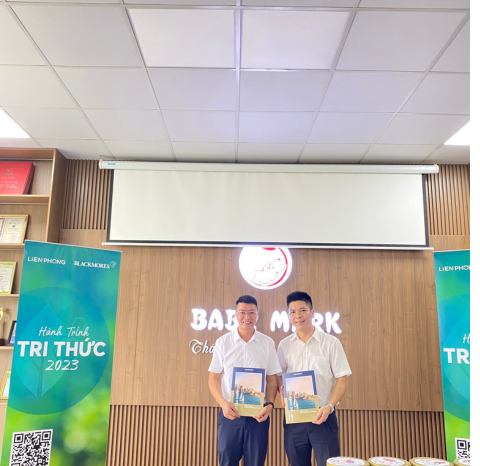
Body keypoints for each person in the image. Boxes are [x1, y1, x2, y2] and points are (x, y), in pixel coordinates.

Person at [277, 291, 352, 466]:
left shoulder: (331, 342)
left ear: (312, 313)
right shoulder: (284, 345)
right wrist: (282, 390)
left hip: (323, 415)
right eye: (292, 311)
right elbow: (279, 376)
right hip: (294, 417)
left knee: (329, 463)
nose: (297, 315)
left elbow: (342, 378)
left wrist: (329, 406)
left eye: (302, 310)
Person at [208, 295, 281, 466]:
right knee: (227, 461)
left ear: (257, 315)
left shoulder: (267, 343)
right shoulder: (223, 342)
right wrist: (223, 404)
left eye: (251, 312)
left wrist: (270, 404)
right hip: (230, 414)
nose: (247, 317)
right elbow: (213, 378)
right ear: (235, 314)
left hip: (258, 416)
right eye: (242, 312)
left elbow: (272, 379)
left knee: (255, 462)